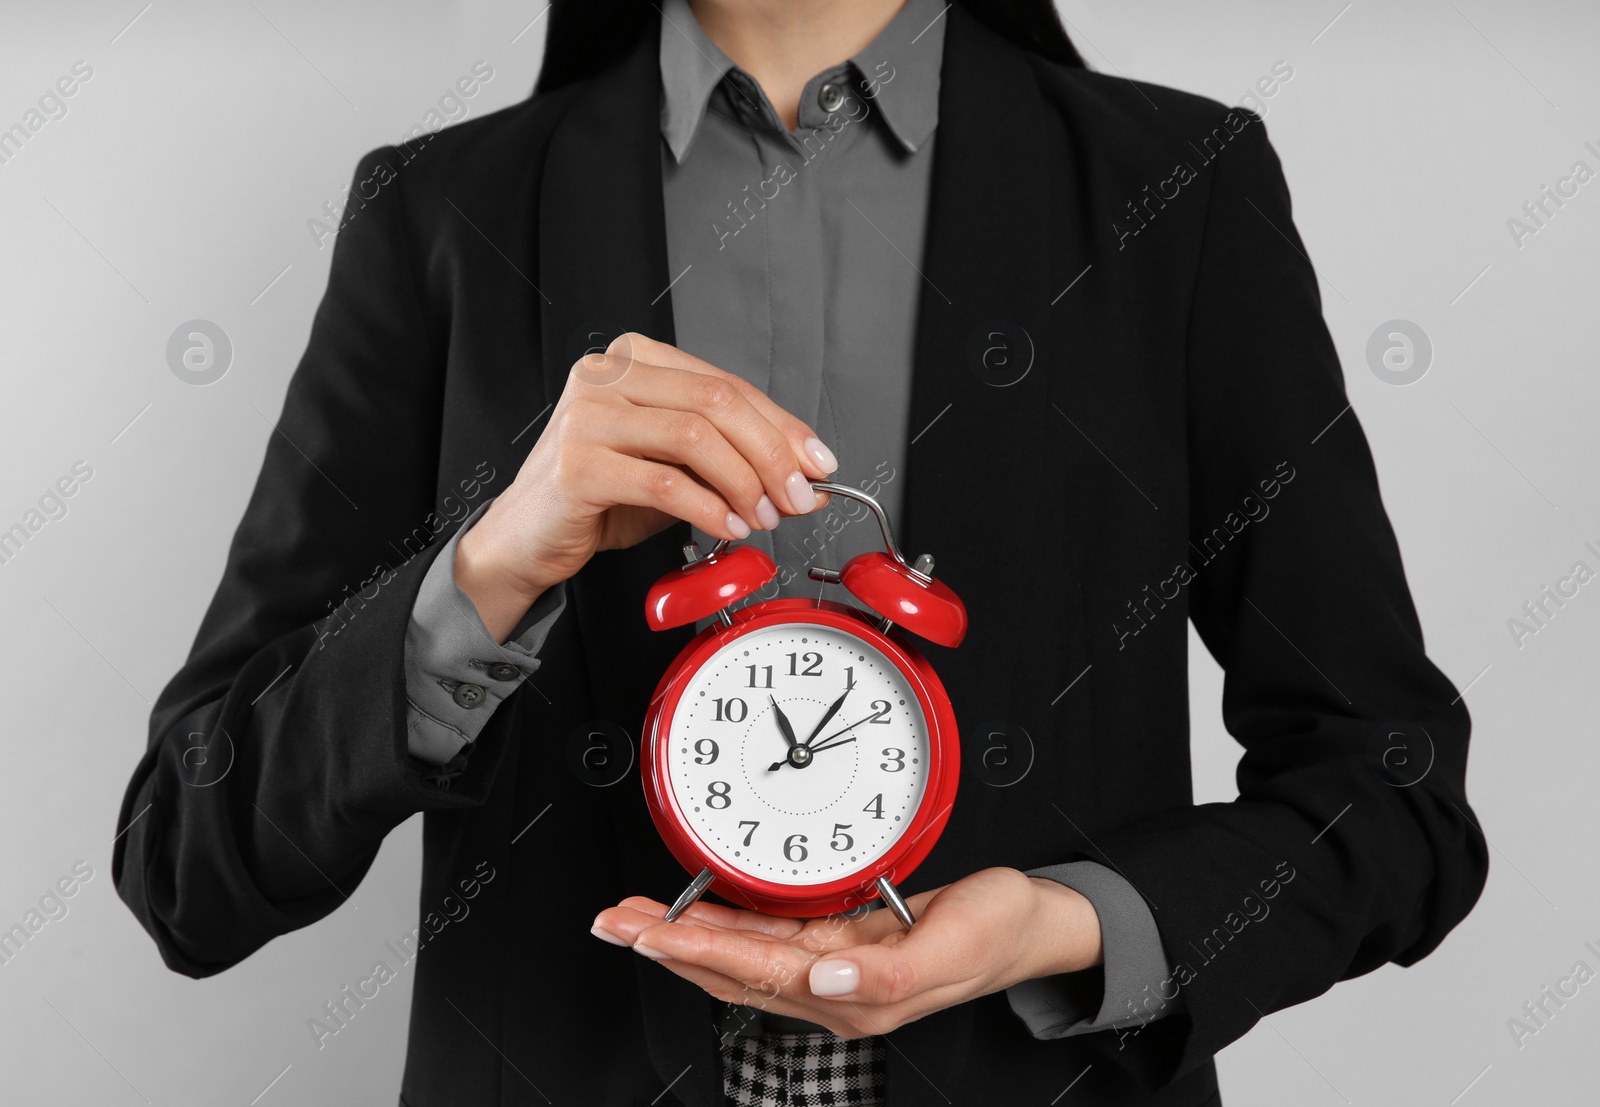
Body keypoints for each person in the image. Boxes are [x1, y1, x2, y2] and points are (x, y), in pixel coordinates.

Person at [112, 1, 1488, 1104]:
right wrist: (482, 577)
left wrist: (1065, 928)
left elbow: (1393, 794)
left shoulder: (1176, 194)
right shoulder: (444, 213)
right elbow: (187, 862)